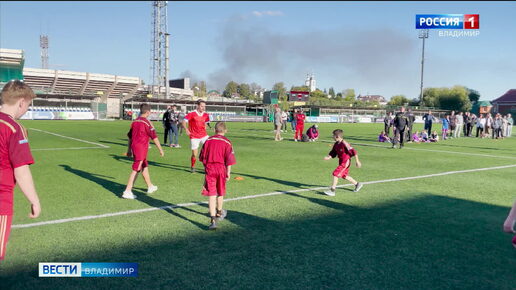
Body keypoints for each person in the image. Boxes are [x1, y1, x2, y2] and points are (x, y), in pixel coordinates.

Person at [0, 80, 41, 261]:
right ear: (21, 102)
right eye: (28, 105)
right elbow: (21, 171)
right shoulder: (14, 128)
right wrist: (35, 201)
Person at [199, 122, 236, 230]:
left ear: (215, 130)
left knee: (211, 194)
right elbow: (229, 160)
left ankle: (213, 220)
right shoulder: (227, 142)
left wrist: (207, 168)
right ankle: (219, 212)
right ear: (225, 131)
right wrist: (228, 172)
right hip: (221, 169)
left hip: (210, 169)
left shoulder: (208, 140)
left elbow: (202, 157)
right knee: (220, 192)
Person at [122, 104, 165, 199]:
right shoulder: (147, 123)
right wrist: (160, 149)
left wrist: (129, 150)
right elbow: (154, 137)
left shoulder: (134, 122)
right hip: (140, 148)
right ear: (148, 112)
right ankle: (127, 191)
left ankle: (150, 186)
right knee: (136, 169)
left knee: (144, 165)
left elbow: (129, 137)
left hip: (137, 147)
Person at [323, 129, 362, 196]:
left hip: (345, 161)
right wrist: (328, 157)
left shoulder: (344, 143)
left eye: (333, 135)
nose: (332, 137)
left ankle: (332, 190)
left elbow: (354, 151)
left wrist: (357, 161)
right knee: (344, 175)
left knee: (335, 173)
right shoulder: (336, 144)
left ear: (337, 136)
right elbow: (333, 152)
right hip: (341, 161)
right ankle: (357, 184)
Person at [183, 99, 211, 173]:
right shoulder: (192, 113)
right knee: (194, 155)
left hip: (204, 135)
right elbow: (184, 121)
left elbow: (207, 124)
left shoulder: (206, 114)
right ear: (197, 106)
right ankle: (193, 166)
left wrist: (207, 126)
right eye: (202, 106)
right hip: (194, 136)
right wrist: (186, 129)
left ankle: (207, 167)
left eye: (204, 106)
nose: (203, 108)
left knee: (209, 150)